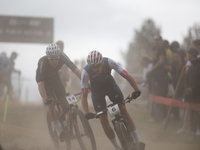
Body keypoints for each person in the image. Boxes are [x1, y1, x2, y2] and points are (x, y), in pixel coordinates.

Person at [81, 50, 145, 150]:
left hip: (111, 87)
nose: (96, 69)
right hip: (97, 93)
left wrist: (136, 90)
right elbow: (84, 95)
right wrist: (86, 112)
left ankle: (138, 141)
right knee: (103, 120)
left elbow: (126, 75)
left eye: (97, 66)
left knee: (123, 110)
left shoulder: (109, 62)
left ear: (102, 62)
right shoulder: (85, 72)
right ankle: (116, 147)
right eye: (93, 67)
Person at [35, 43, 81, 141]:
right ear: (48, 58)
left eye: (56, 58)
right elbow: (41, 85)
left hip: (54, 77)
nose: (55, 61)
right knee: (51, 103)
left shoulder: (63, 57)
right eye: (52, 59)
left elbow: (76, 70)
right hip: (44, 81)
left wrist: (86, 84)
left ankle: (65, 122)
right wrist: (45, 99)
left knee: (63, 100)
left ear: (59, 55)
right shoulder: (42, 62)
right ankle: (58, 130)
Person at [146, 35, 168, 123]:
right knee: (155, 96)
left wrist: (151, 69)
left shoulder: (161, 50)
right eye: (154, 39)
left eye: (157, 39)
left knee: (159, 97)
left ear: (161, 41)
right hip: (155, 77)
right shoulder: (156, 51)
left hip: (160, 77)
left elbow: (161, 61)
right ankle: (156, 118)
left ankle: (161, 118)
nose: (156, 41)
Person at [184, 47, 200, 141]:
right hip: (190, 94)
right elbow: (186, 79)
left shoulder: (199, 65)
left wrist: (192, 88)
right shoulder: (191, 65)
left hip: (198, 93)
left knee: (198, 112)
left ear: (192, 54)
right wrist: (187, 88)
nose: (187, 55)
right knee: (192, 113)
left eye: (189, 53)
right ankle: (193, 132)